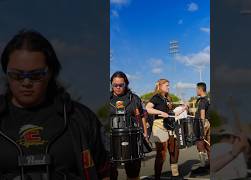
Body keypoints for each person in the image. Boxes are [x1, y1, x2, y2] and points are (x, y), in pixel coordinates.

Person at [0, 30, 110, 179]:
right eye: (17, 75)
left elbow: (105, 172)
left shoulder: (80, 118)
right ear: (6, 73)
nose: (26, 82)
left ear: (50, 73)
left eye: (36, 75)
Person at [109, 71, 148, 180]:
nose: (117, 87)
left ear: (126, 84)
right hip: (111, 139)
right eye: (114, 85)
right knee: (110, 173)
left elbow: (142, 116)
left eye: (121, 85)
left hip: (132, 138)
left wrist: (145, 133)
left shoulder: (134, 98)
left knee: (133, 172)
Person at [146, 79, 187, 180]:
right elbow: (148, 108)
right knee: (162, 153)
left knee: (174, 149)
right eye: (166, 85)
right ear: (159, 86)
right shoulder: (156, 97)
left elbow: (172, 114)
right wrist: (160, 112)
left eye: (169, 85)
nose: (168, 87)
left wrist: (183, 108)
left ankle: (175, 175)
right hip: (159, 125)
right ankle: (157, 177)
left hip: (170, 125)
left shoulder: (168, 99)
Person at [194, 82, 211, 171]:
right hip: (207, 123)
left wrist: (202, 127)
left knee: (200, 143)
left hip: (202, 123)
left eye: (197, 89)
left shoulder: (203, 100)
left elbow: (202, 114)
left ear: (200, 89)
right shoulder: (206, 99)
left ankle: (203, 165)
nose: (196, 91)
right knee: (208, 145)